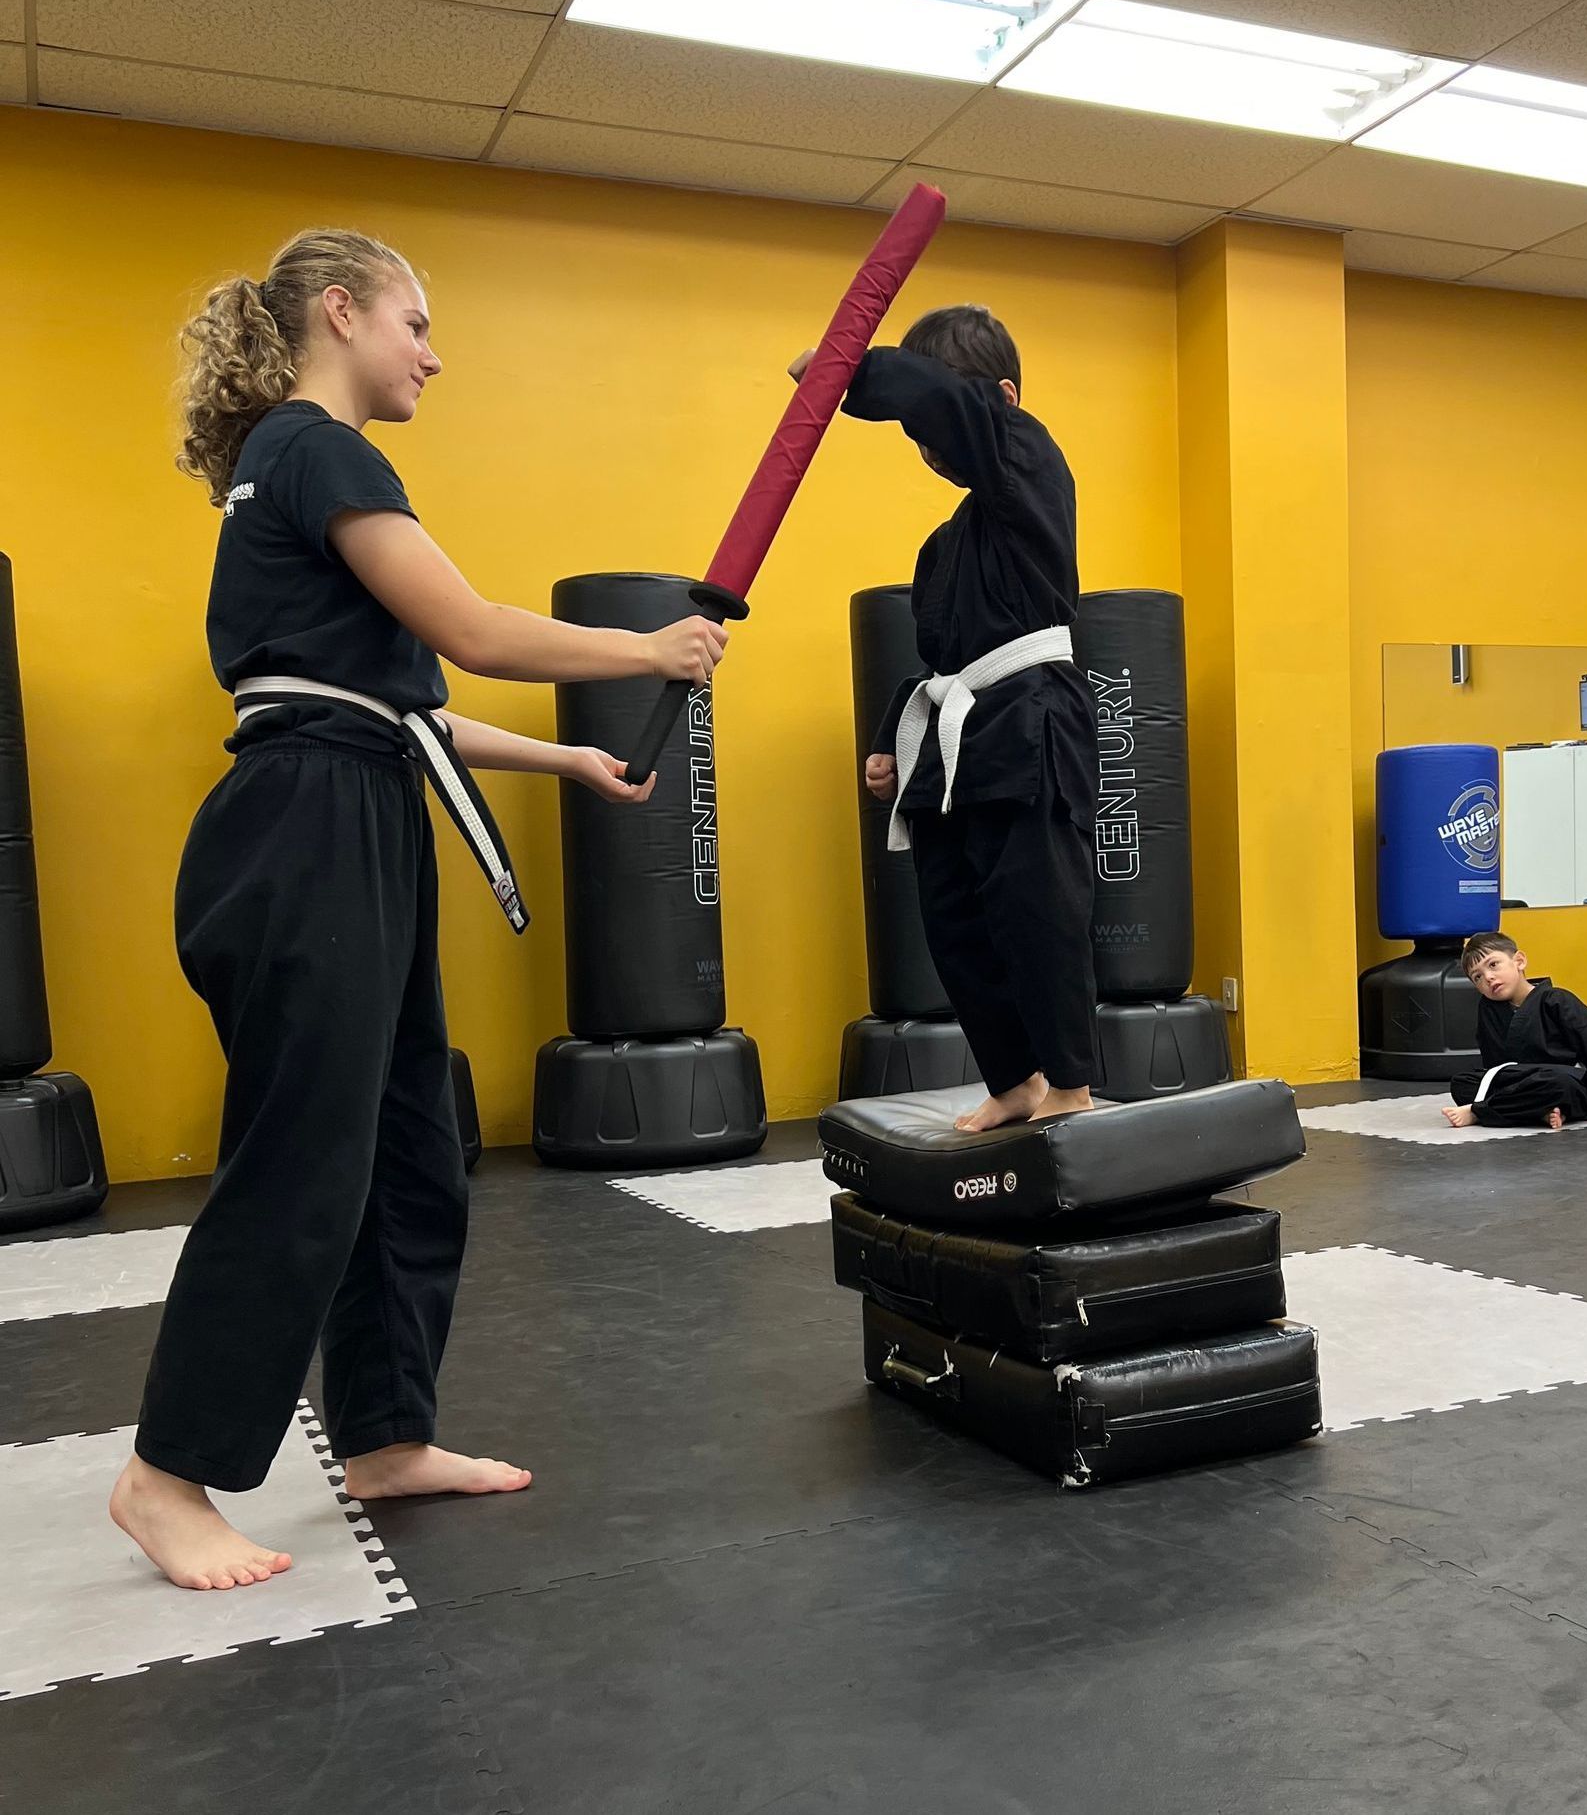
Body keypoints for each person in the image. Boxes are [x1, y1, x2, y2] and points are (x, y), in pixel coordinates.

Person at [111, 229, 728, 1591]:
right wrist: (650, 646)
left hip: (361, 803)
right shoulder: (316, 446)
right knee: (303, 1156)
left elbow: (405, 706)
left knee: (408, 1140)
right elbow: (475, 629)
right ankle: (166, 1473)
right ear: (340, 312)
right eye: (418, 323)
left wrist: (569, 757)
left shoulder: (294, 464)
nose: (433, 356)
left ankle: (386, 1432)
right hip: (308, 828)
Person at [794, 305, 1097, 1134]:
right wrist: (895, 740)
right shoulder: (944, 545)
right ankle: (1016, 1078)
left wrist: (851, 372)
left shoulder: (1032, 460)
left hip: (1034, 719)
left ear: (1002, 400)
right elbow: (943, 664)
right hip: (962, 736)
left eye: (933, 421)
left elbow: (955, 409)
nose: (927, 444)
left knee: (1038, 909)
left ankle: (1070, 1082)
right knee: (954, 917)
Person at [1443, 931, 1587, 1129]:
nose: (1488, 977)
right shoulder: (1488, 1009)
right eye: (1477, 977)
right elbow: (1495, 1067)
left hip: (1555, 1079)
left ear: (1519, 961)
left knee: (1564, 1085)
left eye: (1493, 965)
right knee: (1462, 1083)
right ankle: (1540, 1113)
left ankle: (1479, 1112)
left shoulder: (1556, 1000)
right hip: (1517, 1082)